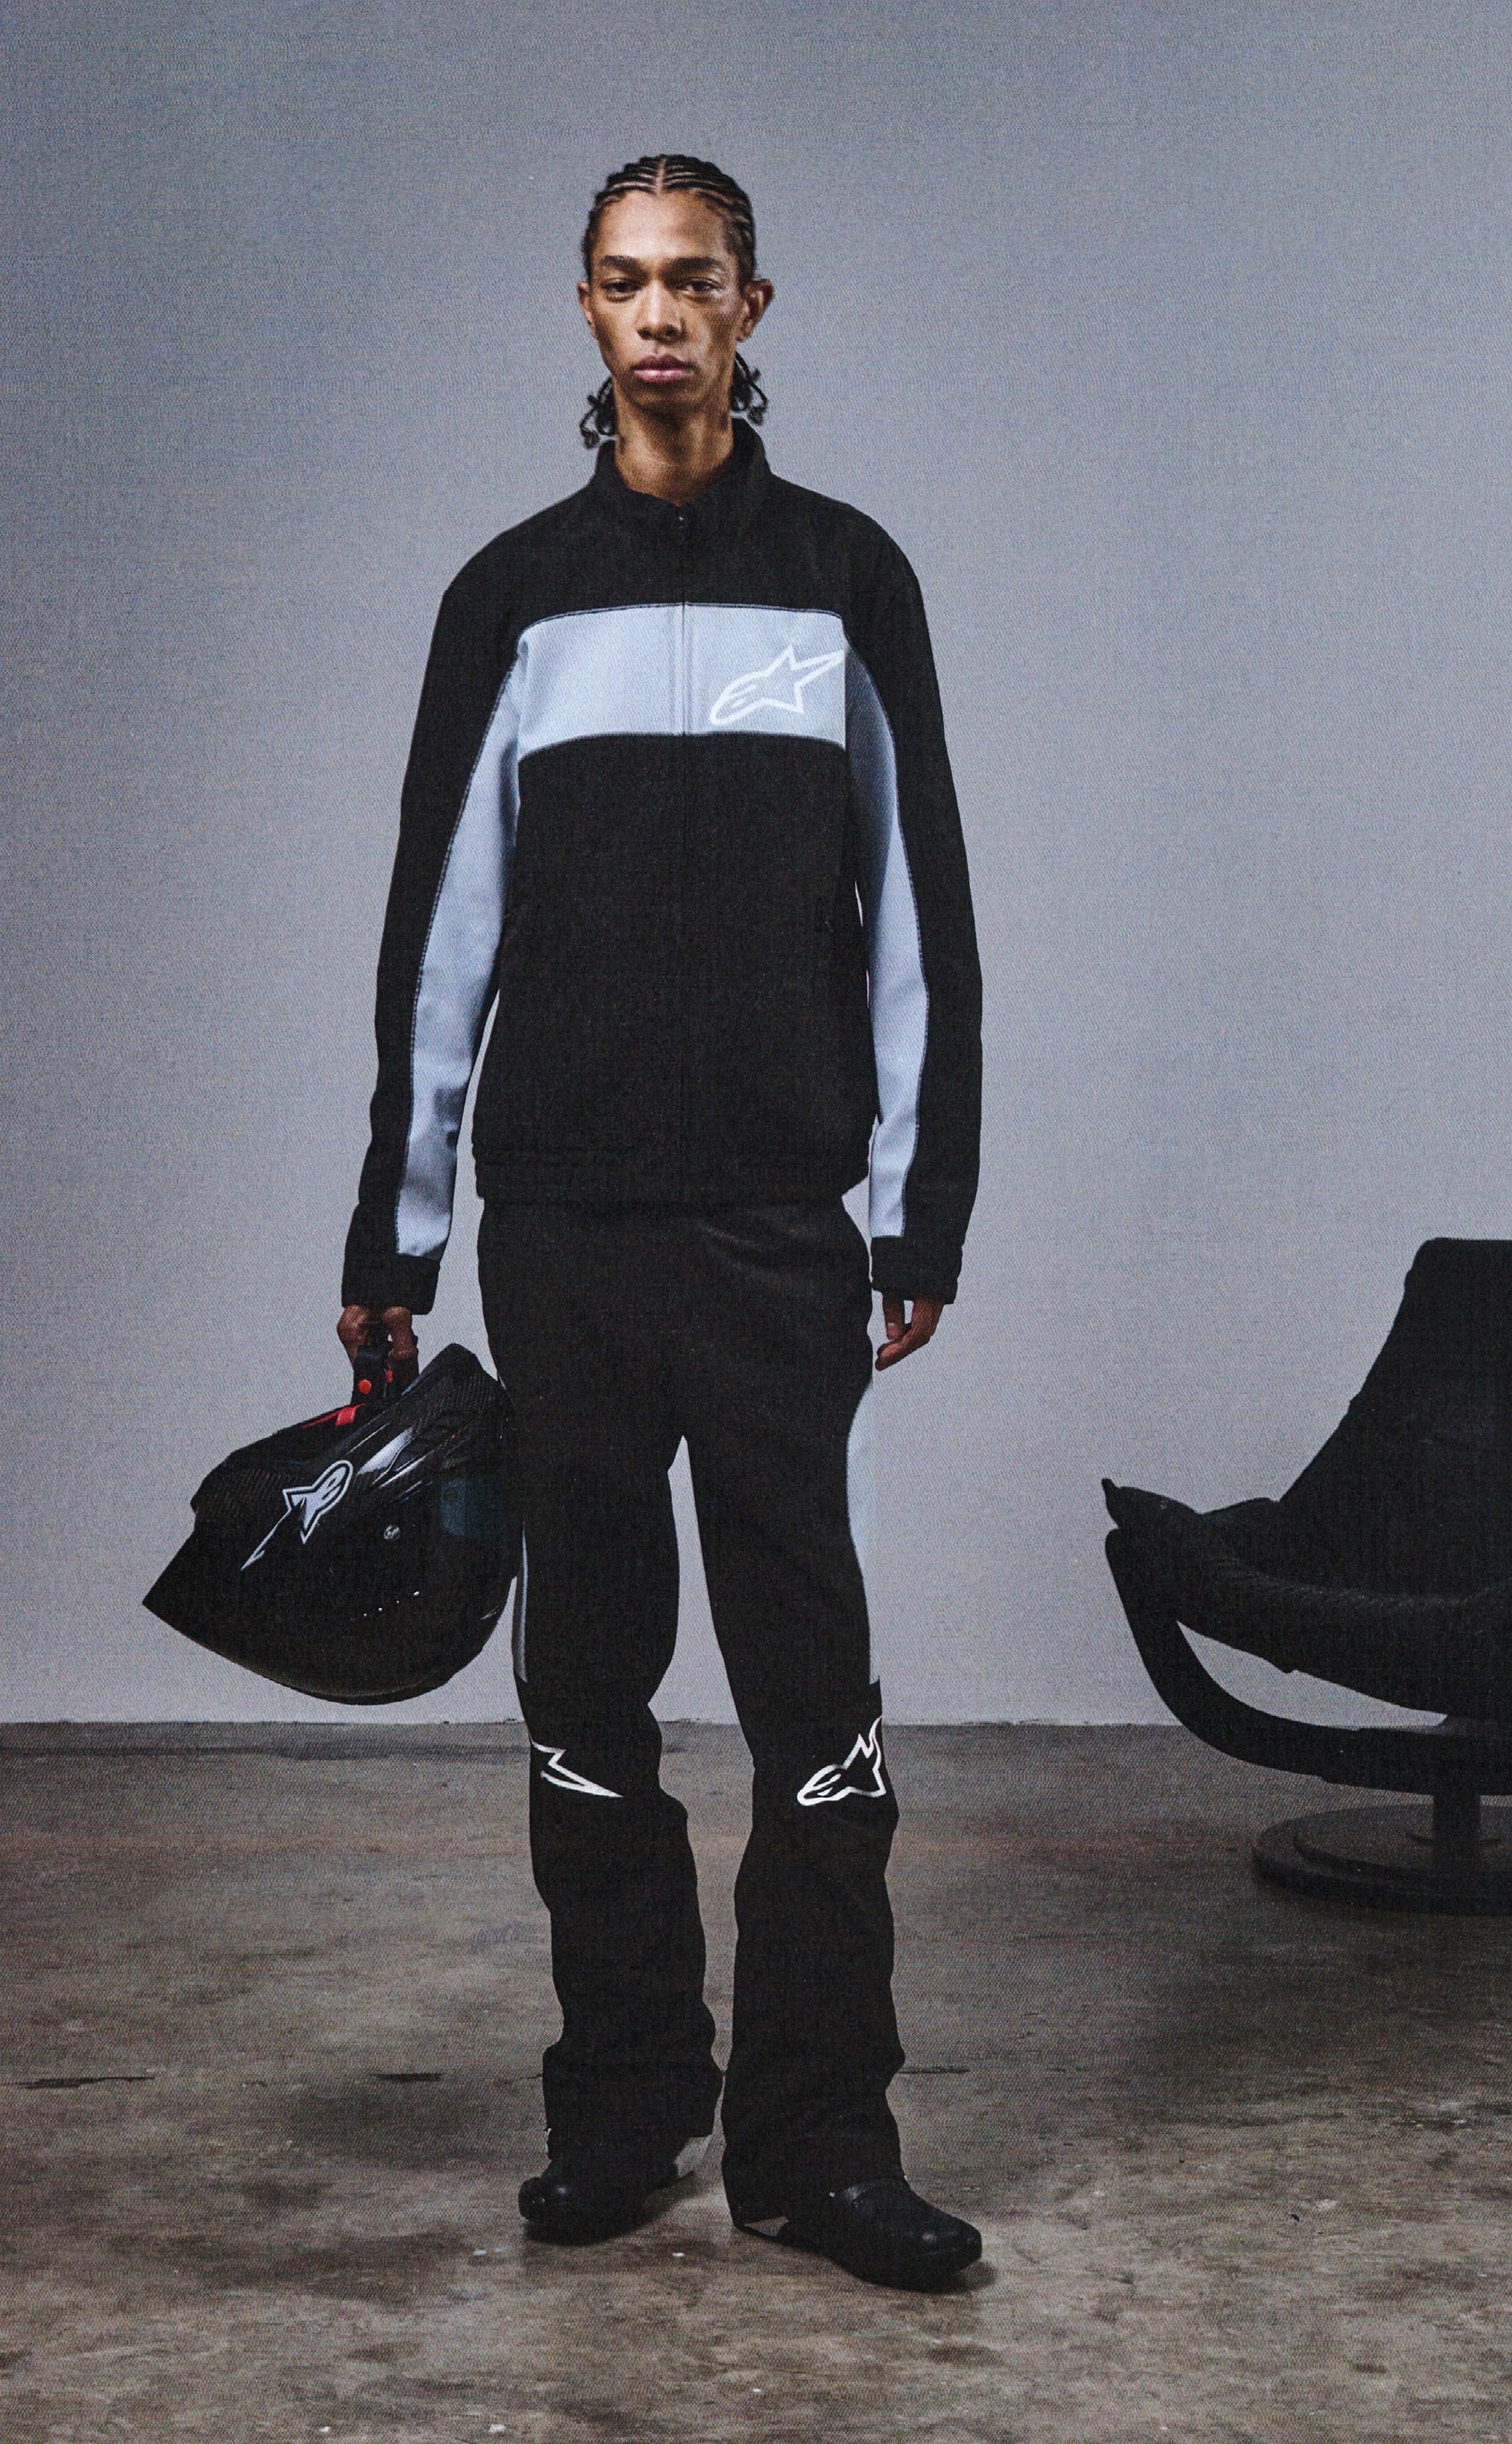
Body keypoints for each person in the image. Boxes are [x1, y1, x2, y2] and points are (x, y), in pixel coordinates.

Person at [336, 154, 983, 2294]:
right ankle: (620, 2109)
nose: (661, 315)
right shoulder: (513, 597)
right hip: (569, 1235)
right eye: (625, 281)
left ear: (752, 307)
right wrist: (393, 1241)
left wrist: (919, 1208)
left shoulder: (847, 580)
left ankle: (819, 2144)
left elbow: (919, 911)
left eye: (695, 279)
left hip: (781, 1232)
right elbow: (443, 938)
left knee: (815, 1700)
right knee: (587, 1690)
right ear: (586, 309)